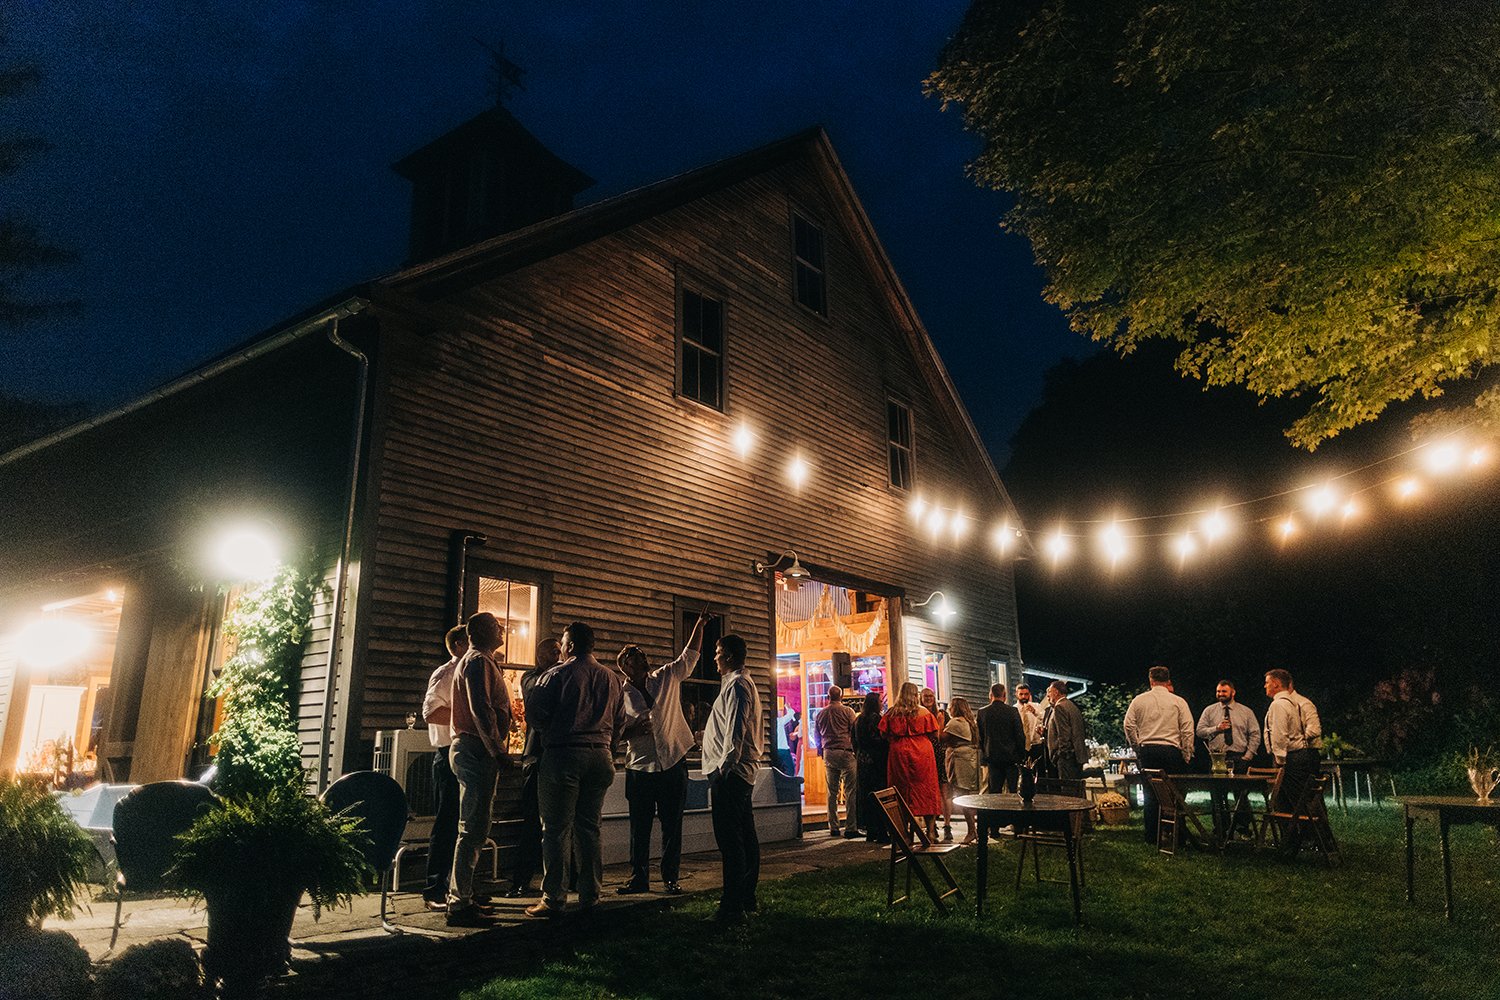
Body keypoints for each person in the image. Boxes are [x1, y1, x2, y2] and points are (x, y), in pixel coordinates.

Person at [525, 621, 625, 918]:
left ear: (568, 646)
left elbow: (535, 714)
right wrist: (610, 746)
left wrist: (551, 730)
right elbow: (620, 720)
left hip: (564, 753)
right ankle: (590, 892)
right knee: (589, 827)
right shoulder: (611, 678)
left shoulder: (556, 674)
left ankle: (554, 897)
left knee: (556, 829)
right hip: (601, 755)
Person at [616, 614, 707, 894]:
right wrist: (632, 732)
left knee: (672, 824)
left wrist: (699, 625)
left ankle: (670, 877)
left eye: (640, 654)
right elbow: (614, 732)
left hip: (672, 761)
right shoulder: (621, 695)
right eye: (632, 657)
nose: (639, 658)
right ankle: (638, 877)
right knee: (639, 827)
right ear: (625, 668)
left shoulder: (666, 677)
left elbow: (688, 657)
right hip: (640, 767)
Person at [445, 612, 511, 927]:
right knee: (471, 827)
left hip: (476, 749)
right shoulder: (477, 663)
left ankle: (465, 896)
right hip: (475, 748)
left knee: (476, 826)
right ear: (483, 631)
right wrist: (497, 749)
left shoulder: (484, 661)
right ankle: (459, 904)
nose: (503, 630)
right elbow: (480, 708)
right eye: (498, 626)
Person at [702, 633, 764, 924]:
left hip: (733, 772)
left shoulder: (738, 685)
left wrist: (725, 767)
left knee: (731, 840)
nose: (713, 657)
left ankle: (732, 905)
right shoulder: (738, 683)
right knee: (744, 835)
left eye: (717, 652)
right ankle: (745, 896)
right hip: (739, 770)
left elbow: (736, 729)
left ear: (727, 655)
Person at [418, 624, 469, 911]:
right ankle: (434, 890)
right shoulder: (446, 674)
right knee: (447, 822)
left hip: (467, 754)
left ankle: (458, 888)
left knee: (464, 823)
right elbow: (430, 711)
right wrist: (467, 715)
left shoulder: (472, 671)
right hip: (448, 752)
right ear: (460, 644)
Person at [507, 636, 561, 897]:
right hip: (536, 756)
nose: (559, 655)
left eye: (561, 651)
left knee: (564, 821)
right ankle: (520, 880)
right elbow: (535, 699)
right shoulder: (530, 677)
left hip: (560, 755)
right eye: (553, 652)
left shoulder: (562, 676)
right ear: (541, 657)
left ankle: (566, 878)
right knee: (531, 821)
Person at [1122, 665, 1194, 846]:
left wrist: (1137, 748)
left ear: (1151, 680)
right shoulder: (1178, 701)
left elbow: (1128, 725)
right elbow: (1187, 729)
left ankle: (1152, 836)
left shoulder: (1139, 700)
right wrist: (1186, 753)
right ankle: (1177, 835)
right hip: (1171, 750)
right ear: (1168, 680)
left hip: (1149, 750)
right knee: (1174, 794)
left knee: (1150, 794)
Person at [1263, 668, 1323, 856]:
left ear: (1275, 684)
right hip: (1296, 756)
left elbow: (1280, 734)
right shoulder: (1291, 703)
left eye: (1267, 682)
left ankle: (1300, 842)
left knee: (1294, 801)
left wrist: (1280, 761)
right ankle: (1292, 841)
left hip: (1290, 759)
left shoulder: (1280, 705)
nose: (1265, 685)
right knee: (1292, 801)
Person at [879, 682, 943, 840]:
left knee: (901, 790)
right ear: (916, 695)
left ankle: (905, 833)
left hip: (899, 752)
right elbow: (935, 735)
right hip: (922, 751)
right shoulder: (924, 713)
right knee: (927, 789)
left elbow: (883, 734)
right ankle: (930, 830)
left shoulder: (892, 713)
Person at [814, 685, 859, 836]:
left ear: (828, 696)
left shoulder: (821, 714)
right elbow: (854, 731)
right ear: (841, 696)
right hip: (846, 751)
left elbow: (817, 735)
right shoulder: (848, 711)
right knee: (850, 790)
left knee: (831, 791)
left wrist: (821, 751)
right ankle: (851, 827)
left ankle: (833, 826)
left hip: (829, 752)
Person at [1195, 680, 1262, 772]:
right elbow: (1199, 731)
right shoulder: (1209, 711)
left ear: (1233, 692)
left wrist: (1247, 756)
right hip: (1217, 758)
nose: (1220, 694)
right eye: (1218, 691)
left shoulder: (1246, 712)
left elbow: (1255, 734)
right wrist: (1216, 728)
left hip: (1239, 758)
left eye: (1224, 691)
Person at [943, 696, 981, 845]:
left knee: (962, 795)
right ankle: (973, 829)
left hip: (959, 760)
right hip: (970, 758)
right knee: (968, 794)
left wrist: (940, 721)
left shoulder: (955, 722)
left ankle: (971, 830)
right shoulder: (970, 723)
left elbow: (941, 737)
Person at [976, 683, 1026, 793]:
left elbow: (980, 737)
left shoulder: (982, 712)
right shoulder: (1012, 711)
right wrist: (1021, 755)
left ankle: (996, 810)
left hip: (992, 756)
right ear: (1004, 695)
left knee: (994, 791)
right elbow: (1019, 735)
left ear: (990, 695)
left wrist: (984, 755)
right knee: (1013, 790)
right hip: (1011, 757)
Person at [852, 691, 889, 843]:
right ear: (875, 703)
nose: (882, 703)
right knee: (879, 795)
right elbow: (878, 739)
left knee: (866, 796)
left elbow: (853, 740)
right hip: (876, 761)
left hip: (862, 761)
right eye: (880, 701)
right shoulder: (876, 719)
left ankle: (870, 831)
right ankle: (881, 832)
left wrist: (858, 754)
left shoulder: (858, 719)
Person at [920, 687, 953, 840]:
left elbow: (944, 737)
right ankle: (931, 826)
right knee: (929, 792)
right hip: (923, 755)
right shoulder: (918, 714)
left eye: (931, 696)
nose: (928, 698)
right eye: (925, 696)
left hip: (938, 754)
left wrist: (939, 725)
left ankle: (947, 825)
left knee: (944, 790)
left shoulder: (942, 714)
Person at [1044, 680, 1088, 781]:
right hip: (1076, 756)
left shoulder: (1059, 707)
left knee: (1068, 790)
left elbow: (1064, 735)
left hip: (1067, 758)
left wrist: (1061, 755)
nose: (1048, 696)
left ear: (1056, 692)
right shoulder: (1072, 706)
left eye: (1049, 692)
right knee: (1076, 789)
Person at [1016, 683, 1045, 769]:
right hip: (1021, 746)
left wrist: (1035, 712)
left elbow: (1045, 719)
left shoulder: (1037, 707)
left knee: (1039, 771)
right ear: (1016, 694)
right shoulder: (1014, 710)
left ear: (1029, 694)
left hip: (1036, 744)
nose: (1024, 697)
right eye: (1021, 694)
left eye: (1026, 694)